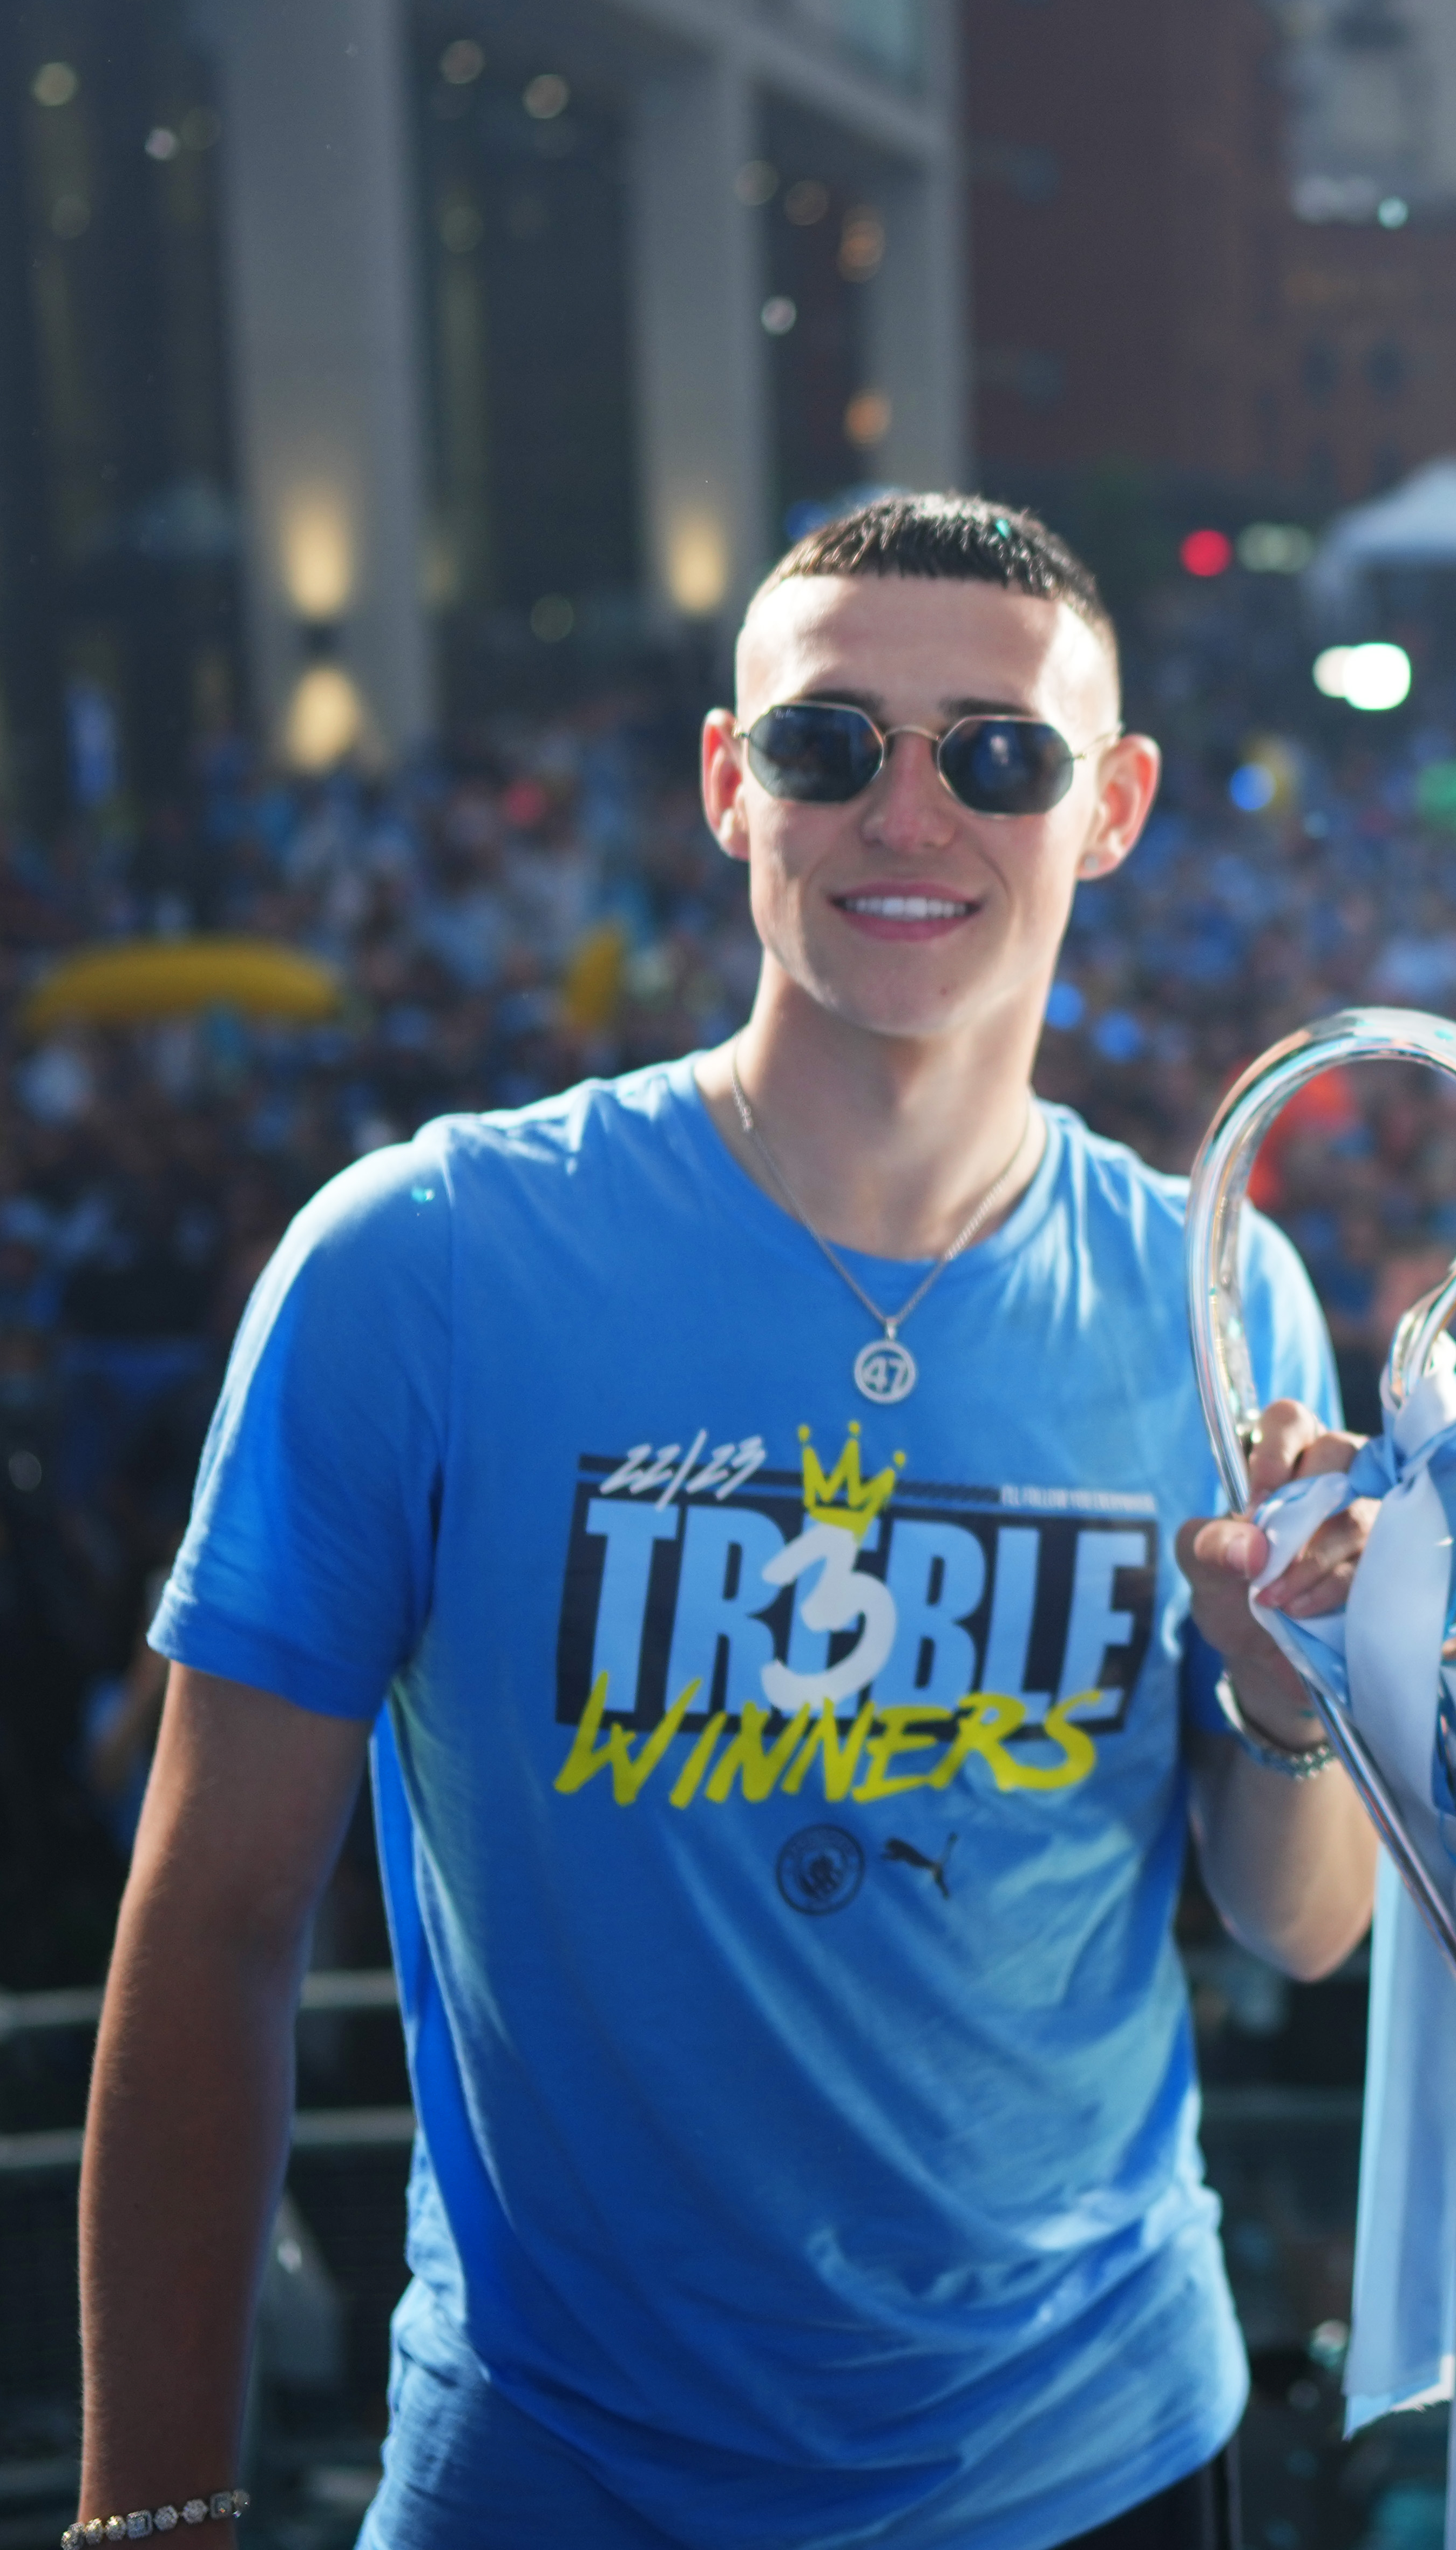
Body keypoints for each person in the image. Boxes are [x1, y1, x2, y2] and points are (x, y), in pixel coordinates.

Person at [75, 495, 1380, 2550]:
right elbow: (214, 1918)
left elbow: (1299, 1921)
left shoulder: (1220, 1296)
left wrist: (1287, 1688)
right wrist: (149, 2511)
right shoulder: (424, 1262)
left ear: (1112, 806)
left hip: (1105, 2459)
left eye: (999, 753)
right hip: (555, 2487)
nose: (909, 812)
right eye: (831, 742)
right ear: (728, 781)